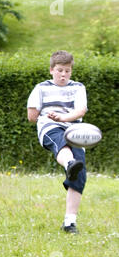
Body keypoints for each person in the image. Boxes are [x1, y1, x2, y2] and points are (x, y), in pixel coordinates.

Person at [27, 50, 87, 234]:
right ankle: (69, 163)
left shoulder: (78, 87)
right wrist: (51, 117)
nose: (64, 75)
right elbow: (31, 116)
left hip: (74, 129)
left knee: (80, 173)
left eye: (67, 71)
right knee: (61, 141)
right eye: (60, 70)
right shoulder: (40, 88)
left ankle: (69, 222)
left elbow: (80, 111)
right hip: (50, 128)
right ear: (51, 70)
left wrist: (63, 117)